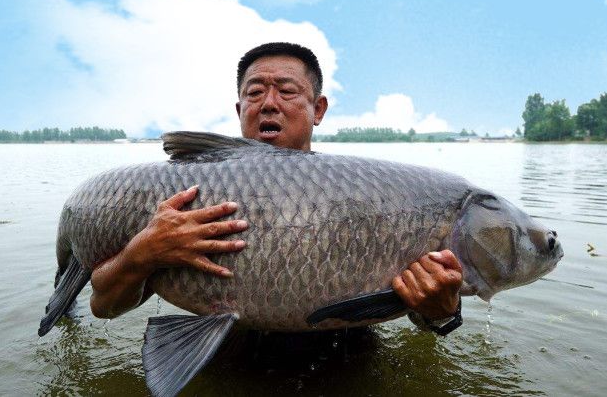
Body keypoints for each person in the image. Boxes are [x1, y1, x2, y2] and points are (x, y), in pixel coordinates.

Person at [90, 42, 463, 334]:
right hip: (227, 354)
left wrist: (442, 312)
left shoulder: (372, 193)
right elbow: (104, 307)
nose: (269, 104)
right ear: (239, 110)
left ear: (318, 108)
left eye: (286, 91)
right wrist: (142, 254)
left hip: (346, 360)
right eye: (255, 94)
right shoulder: (184, 196)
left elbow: (433, 322)